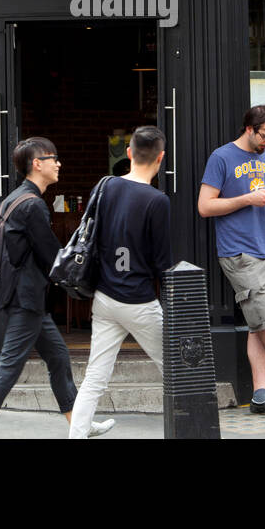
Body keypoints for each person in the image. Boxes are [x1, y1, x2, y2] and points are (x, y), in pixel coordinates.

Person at [0, 137, 114, 439]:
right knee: (9, 368)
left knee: (59, 358)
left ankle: (79, 424)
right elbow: (53, 257)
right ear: (37, 164)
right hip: (26, 299)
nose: (59, 163)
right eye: (54, 158)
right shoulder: (33, 205)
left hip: (28, 299)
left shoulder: (13, 199)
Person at [198, 105, 265, 418]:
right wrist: (247, 198)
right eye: (264, 136)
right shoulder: (222, 157)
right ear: (249, 128)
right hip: (238, 253)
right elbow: (205, 206)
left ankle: (261, 396)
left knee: (258, 325)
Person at [67, 126, 171, 439]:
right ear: (161, 158)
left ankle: (76, 435)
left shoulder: (106, 186)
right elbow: (162, 262)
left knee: (95, 375)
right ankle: (191, 424)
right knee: (177, 367)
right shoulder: (158, 201)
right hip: (139, 300)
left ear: (128, 154)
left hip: (105, 297)